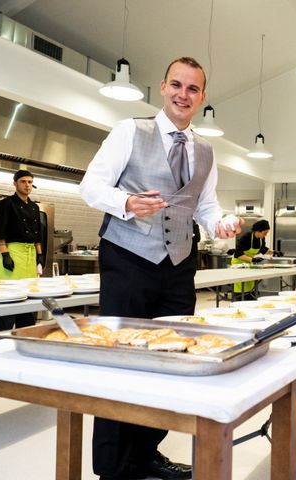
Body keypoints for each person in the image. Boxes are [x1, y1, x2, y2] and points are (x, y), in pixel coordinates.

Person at [80, 56, 241, 480]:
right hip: (128, 257)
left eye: (192, 89)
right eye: (176, 85)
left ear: (203, 97)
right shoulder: (130, 131)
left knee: (169, 359)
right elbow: (91, 185)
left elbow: (205, 206)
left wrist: (220, 223)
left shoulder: (205, 150)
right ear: (162, 86)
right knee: (120, 359)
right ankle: (112, 467)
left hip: (179, 264)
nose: (183, 94)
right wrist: (127, 203)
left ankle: (147, 453)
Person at [0, 169, 44, 331]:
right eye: (23, 182)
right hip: (12, 254)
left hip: (30, 256)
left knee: (28, 300)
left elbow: (37, 235)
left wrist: (39, 256)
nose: (27, 185)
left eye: (30, 182)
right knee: (8, 298)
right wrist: (5, 254)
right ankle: (1, 337)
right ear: (15, 183)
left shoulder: (35, 207)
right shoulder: (5, 204)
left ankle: (26, 335)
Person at [231, 219, 273, 299]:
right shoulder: (246, 237)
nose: (266, 235)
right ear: (258, 231)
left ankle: (250, 299)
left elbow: (262, 249)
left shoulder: (261, 238)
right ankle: (238, 300)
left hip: (249, 263)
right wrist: (252, 260)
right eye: (265, 233)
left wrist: (274, 252)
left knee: (250, 284)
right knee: (241, 285)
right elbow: (238, 254)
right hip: (239, 264)